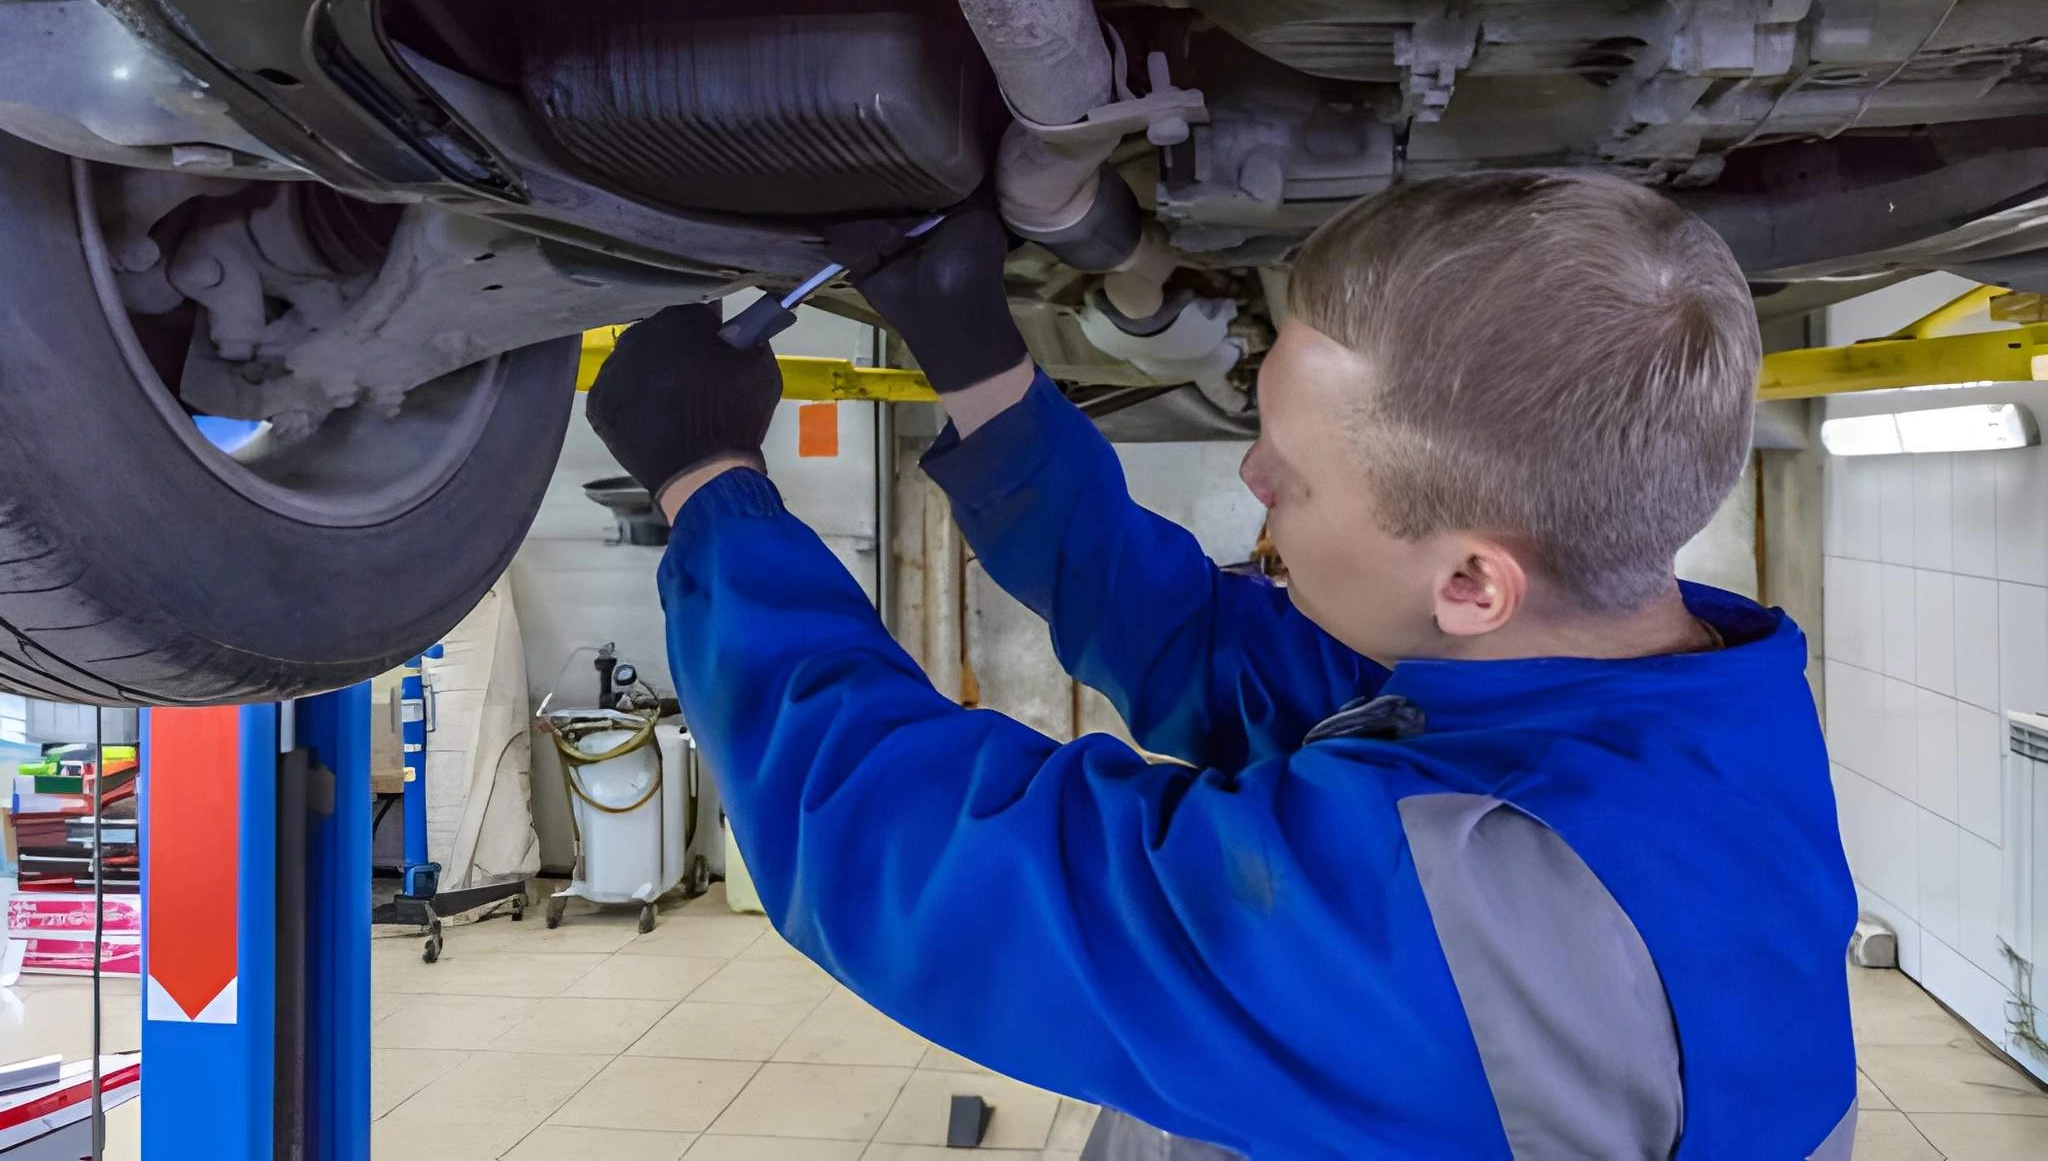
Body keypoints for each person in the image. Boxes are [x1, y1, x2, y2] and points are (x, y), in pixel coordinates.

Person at [585, 172, 1858, 1160]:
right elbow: (1201, 647)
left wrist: (709, 482)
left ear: (1471, 580)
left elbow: (913, 849)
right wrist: (978, 362)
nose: (1250, 480)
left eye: (1287, 475)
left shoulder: (1478, 918)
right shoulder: (1667, 696)